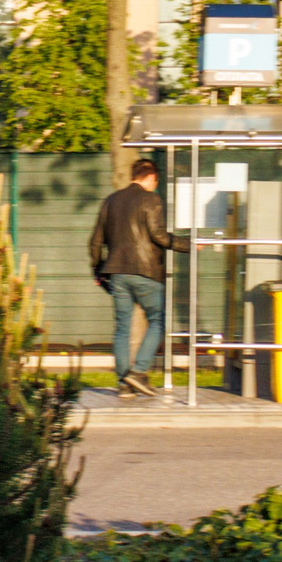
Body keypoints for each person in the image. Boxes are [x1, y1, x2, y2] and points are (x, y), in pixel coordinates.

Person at [88, 157, 191, 397]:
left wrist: (97, 270)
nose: (156, 185)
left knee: (122, 327)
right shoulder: (151, 199)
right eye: (156, 181)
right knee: (157, 320)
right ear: (151, 177)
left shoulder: (110, 201)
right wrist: (188, 244)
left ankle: (124, 384)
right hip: (147, 272)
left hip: (117, 274)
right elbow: (160, 237)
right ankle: (139, 372)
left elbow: (94, 241)